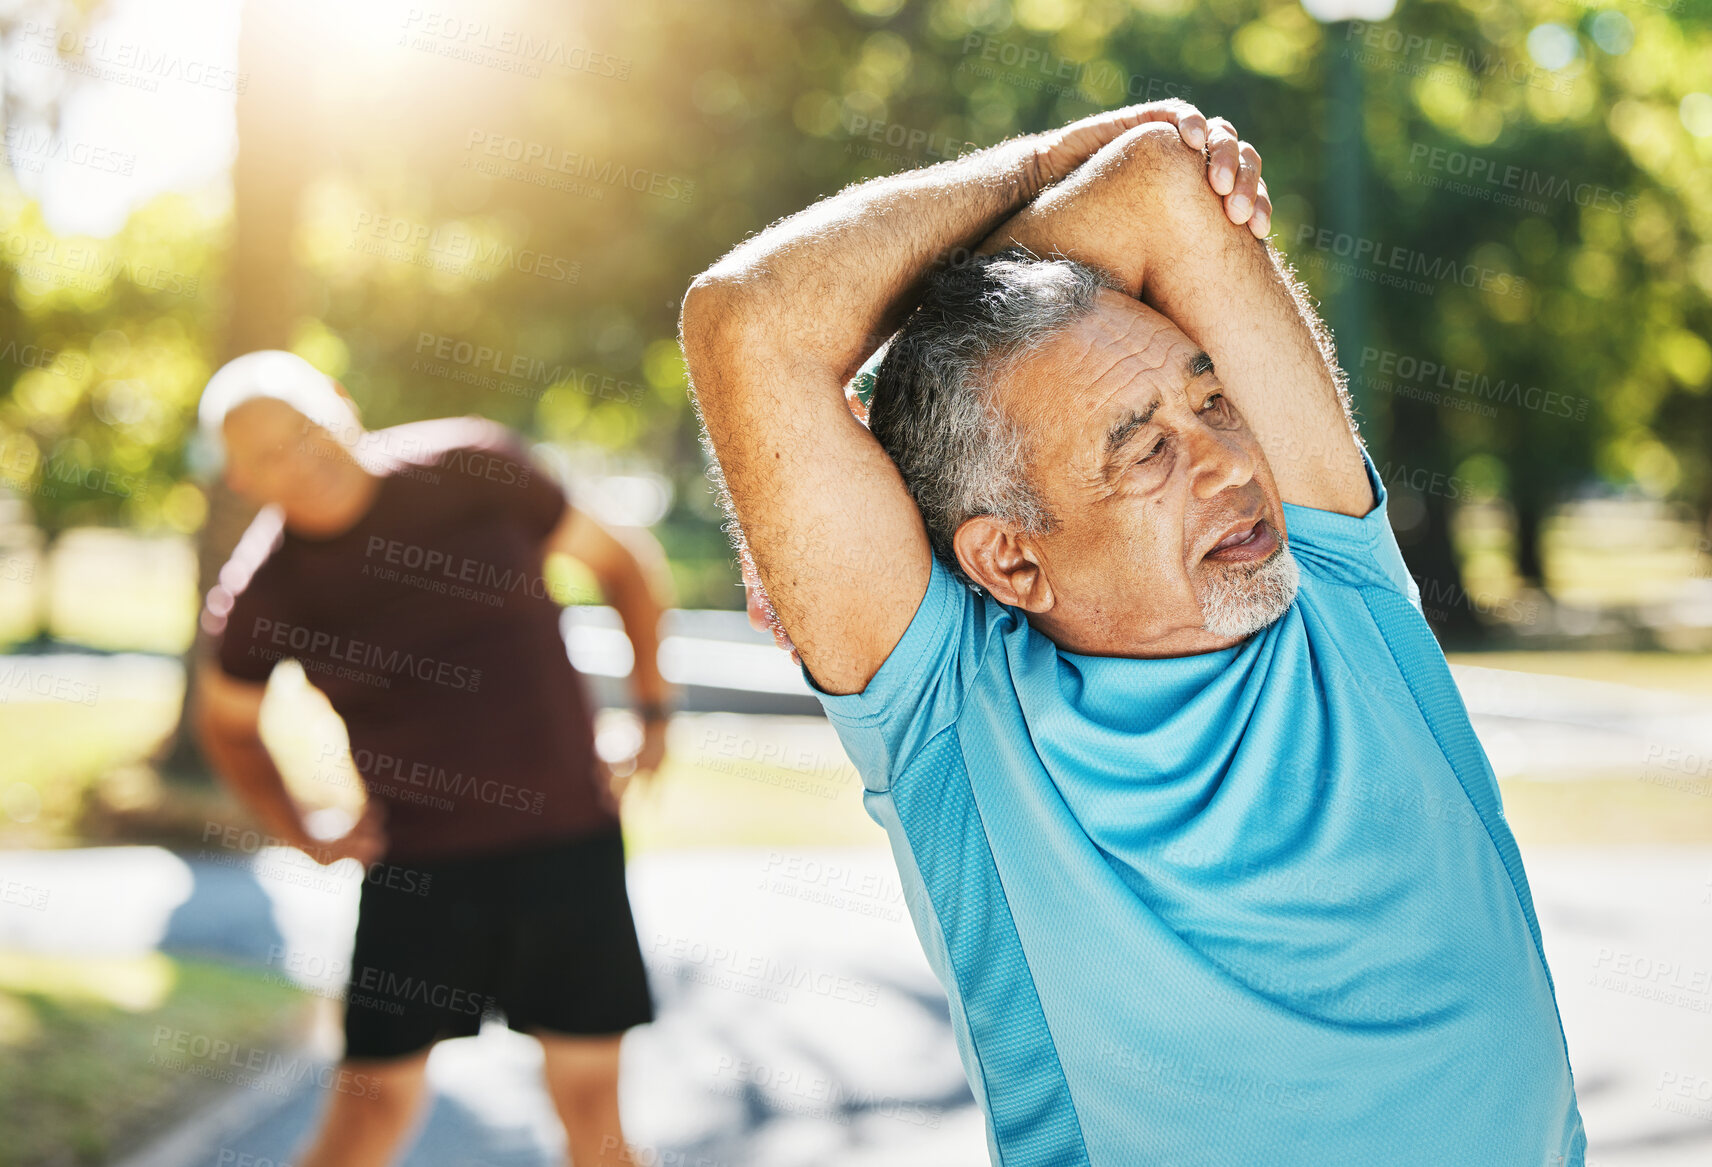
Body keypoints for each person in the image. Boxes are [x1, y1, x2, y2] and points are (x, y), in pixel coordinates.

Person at [680, 101, 1586, 1165]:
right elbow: (749, 323)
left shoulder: (1333, 577)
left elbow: (1155, 182)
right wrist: (1043, 163)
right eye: (1142, 451)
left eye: (1210, 402)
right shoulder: (953, 719)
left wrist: (884, 430)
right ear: (1010, 561)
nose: (1229, 465)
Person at [193, 351, 668, 1167]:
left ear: (342, 403)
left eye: (305, 429)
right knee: (365, 1121)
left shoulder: (473, 467)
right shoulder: (263, 592)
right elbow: (230, 728)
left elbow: (621, 564)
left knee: (595, 1119)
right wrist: (302, 827)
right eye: (267, 453)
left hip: (566, 843)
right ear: (239, 477)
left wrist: (652, 713)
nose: (299, 459)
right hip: (419, 869)